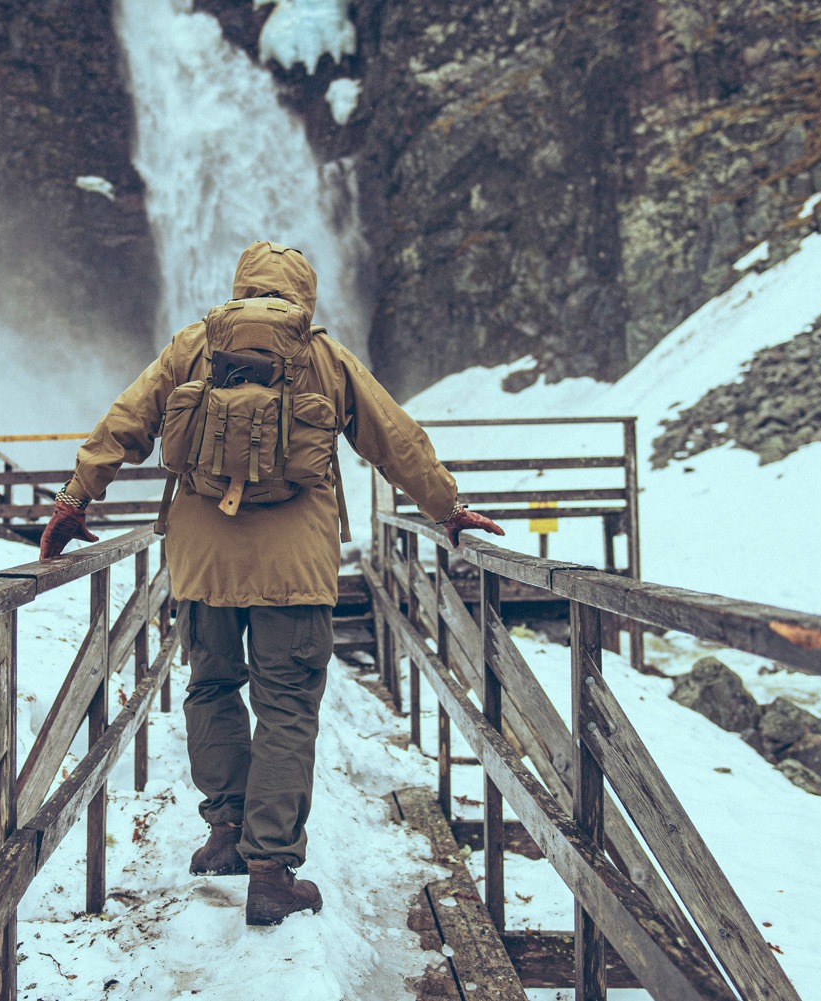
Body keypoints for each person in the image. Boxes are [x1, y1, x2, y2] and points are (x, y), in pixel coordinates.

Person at [39, 241, 502, 926]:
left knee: (211, 687)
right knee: (286, 705)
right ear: (303, 294)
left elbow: (125, 422)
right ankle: (270, 869)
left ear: (241, 286)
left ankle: (225, 833)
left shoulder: (194, 345)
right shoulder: (323, 356)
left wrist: (74, 499)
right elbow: (393, 438)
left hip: (203, 565)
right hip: (296, 570)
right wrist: (447, 508)